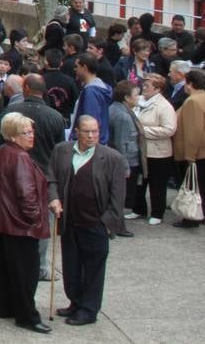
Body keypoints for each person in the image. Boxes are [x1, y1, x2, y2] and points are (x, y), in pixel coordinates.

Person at [46, 116, 126, 327]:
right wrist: (53, 198)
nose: (91, 136)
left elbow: (118, 197)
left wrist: (107, 222)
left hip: (95, 222)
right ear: (76, 132)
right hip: (69, 220)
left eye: (95, 132)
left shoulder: (112, 158)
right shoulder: (62, 151)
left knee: (93, 268)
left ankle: (89, 309)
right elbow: (51, 178)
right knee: (72, 265)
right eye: (86, 132)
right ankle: (76, 300)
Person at [0, 113, 53, 334]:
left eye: (32, 131)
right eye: (26, 132)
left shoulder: (2, 152)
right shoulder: (20, 157)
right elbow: (26, 193)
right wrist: (35, 218)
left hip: (4, 222)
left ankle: (7, 307)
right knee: (26, 272)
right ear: (13, 136)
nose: (32, 136)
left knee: (7, 269)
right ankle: (27, 315)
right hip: (20, 224)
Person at [171, 68, 205, 229]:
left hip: (198, 151)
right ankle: (204, 214)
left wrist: (190, 155)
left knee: (192, 186)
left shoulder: (193, 101)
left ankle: (191, 218)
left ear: (190, 84)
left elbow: (192, 131)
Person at [132, 73, 177, 226]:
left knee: (157, 184)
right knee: (139, 182)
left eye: (147, 86)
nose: (143, 88)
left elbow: (169, 130)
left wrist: (143, 131)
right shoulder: (138, 101)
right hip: (140, 150)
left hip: (158, 153)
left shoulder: (165, 106)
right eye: (143, 85)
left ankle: (158, 212)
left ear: (157, 89)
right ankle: (138, 209)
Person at [107, 80, 144, 225]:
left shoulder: (115, 109)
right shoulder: (123, 116)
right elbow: (121, 144)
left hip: (121, 159)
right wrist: (125, 166)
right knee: (119, 195)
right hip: (126, 160)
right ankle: (117, 224)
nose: (138, 98)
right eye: (136, 95)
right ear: (127, 97)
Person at [70, 53, 113, 144]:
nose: (74, 69)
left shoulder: (91, 93)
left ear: (84, 68)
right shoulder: (99, 89)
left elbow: (90, 121)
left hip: (89, 146)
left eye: (76, 66)